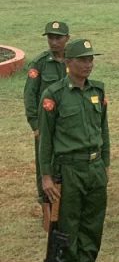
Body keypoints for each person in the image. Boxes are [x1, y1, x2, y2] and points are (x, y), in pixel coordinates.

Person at [38, 39, 109, 262]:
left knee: (92, 222)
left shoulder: (97, 91)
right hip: (68, 169)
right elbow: (45, 139)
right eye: (82, 60)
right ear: (68, 62)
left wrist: (105, 164)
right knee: (68, 223)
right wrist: (46, 176)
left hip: (95, 167)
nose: (88, 64)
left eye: (91, 59)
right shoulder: (54, 95)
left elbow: (104, 131)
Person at [25, 21, 70, 213]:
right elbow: (30, 95)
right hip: (45, 124)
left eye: (58, 38)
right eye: (50, 38)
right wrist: (35, 125)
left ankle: (66, 201)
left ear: (67, 38)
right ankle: (46, 204)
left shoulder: (74, 60)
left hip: (68, 122)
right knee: (45, 163)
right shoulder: (40, 63)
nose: (54, 42)